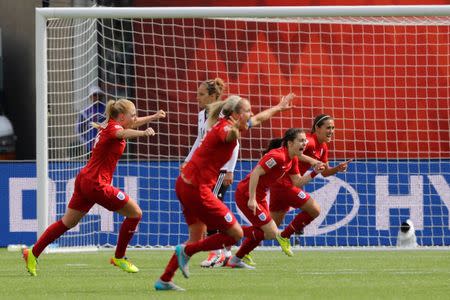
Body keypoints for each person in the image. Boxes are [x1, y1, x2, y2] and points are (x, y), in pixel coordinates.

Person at [154, 93, 295, 291]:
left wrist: (279, 108)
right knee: (235, 234)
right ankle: (186, 251)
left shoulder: (228, 123)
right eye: (247, 110)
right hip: (197, 189)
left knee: (197, 236)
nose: (251, 113)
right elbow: (228, 134)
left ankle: (165, 279)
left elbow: (259, 118)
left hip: (184, 184)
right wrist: (236, 132)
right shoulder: (225, 128)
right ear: (236, 114)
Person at [22, 98, 166, 276]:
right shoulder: (115, 129)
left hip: (84, 179)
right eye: (133, 114)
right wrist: (143, 134)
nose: (136, 118)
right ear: (121, 116)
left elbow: (131, 124)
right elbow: (123, 133)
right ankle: (119, 257)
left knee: (68, 222)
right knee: (135, 213)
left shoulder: (109, 124)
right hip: (97, 184)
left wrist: (154, 116)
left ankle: (33, 253)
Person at [227, 128, 325, 267]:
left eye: (305, 140)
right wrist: (252, 198)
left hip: (260, 196)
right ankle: (229, 230)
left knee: (264, 232)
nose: (305, 143)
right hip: (246, 194)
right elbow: (256, 173)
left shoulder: (292, 160)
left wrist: (314, 172)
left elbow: (297, 182)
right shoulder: (277, 156)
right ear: (290, 143)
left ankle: (235, 260)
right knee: (272, 232)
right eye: (301, 141)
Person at [268, 114, 353, 248]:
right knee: (314, 210)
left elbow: (324, 172)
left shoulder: (323, 147)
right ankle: (286, 235)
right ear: (317, 128)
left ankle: (235, 242)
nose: (331, 131)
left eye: (333, 128)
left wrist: (337, 168)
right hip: (284, 184)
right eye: (328, 128)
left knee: (269, 231)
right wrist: (313, 161)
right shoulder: (308, 141)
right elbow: (291, 150)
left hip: (283, 185)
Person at [182, 78, 237, 268]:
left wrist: (229, 170)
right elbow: (200, 140)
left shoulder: (223, 115)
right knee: (214, 210)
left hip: (221, 169)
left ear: (213, 96)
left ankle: (218, 253)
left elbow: (234, 142)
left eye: (201, 94)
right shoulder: (201, 115)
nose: (197, 97)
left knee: (211, 210)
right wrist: (187, 161)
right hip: (208, 171)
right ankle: (226, 252)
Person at [77, 85, 107, 153]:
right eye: (94, 95)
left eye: (99, 95)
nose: (97, 97)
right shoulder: (85, 111)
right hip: (90, 145)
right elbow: (79, 128)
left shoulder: (107, 109)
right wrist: (84, 141)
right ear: (90, 97)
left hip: (104, 143)